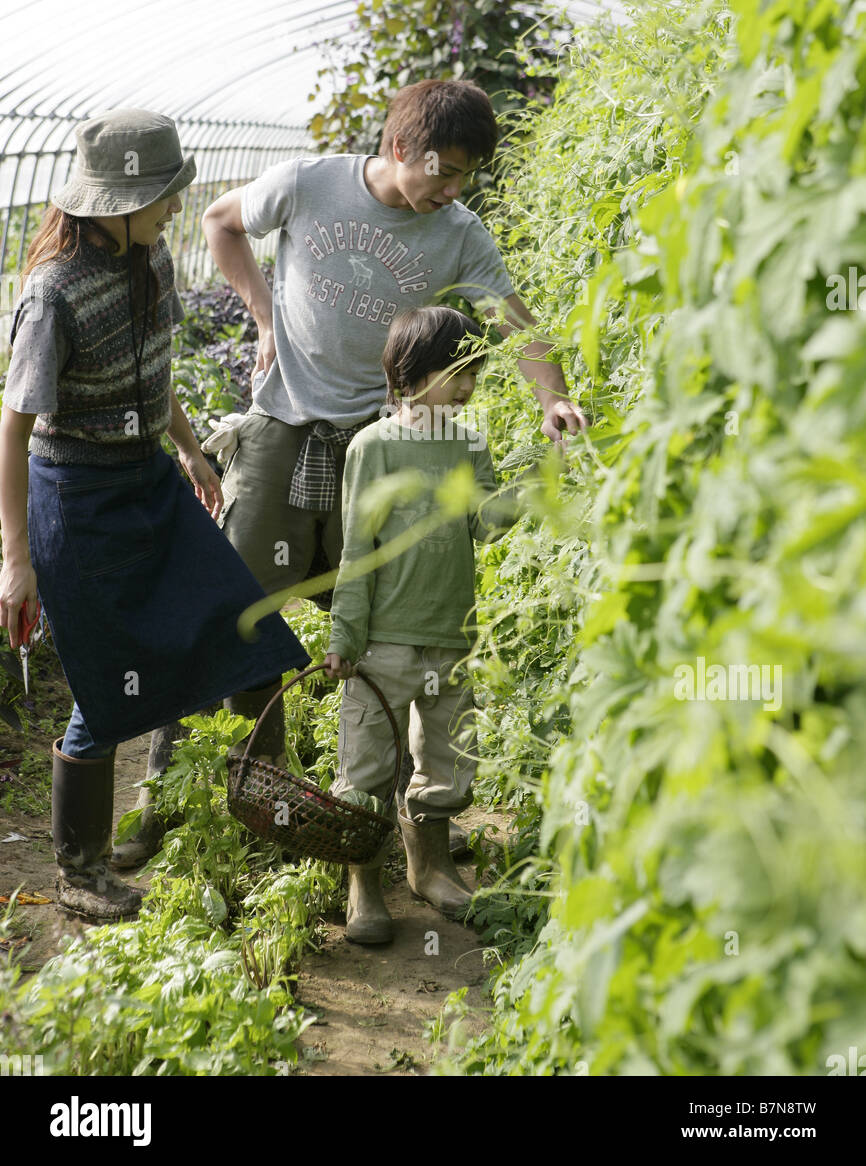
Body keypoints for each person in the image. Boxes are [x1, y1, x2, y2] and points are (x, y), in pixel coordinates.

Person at [195, 79, 587, 859]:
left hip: (382, 437)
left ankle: (387, 809)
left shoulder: (459, 231)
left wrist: (555, 400)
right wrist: (265, 315)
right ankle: (251, 780)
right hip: (284, 419)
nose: (450, 192)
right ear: (400, 147)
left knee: (384, 619)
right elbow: (218, 221)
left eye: (465, 179)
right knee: (244, 598)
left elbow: (512, 319)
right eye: (442, 173)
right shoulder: (309, 184)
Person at [0, 110, 310, 921]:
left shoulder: (152, 258)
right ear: (115, 202)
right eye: (164, 195)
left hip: (151, 484)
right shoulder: (51, 297)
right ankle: (80, 871)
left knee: (249, 630)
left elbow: (154, 369)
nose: (177, 206)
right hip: (79, 500)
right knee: (101, 689)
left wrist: (190, 450)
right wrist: (15, 557)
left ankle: (262, 811)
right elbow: (15, 426)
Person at [323, 306, 528, 944]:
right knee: (368, 764)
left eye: (476, 370)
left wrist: (541, 475)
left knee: (444, 756)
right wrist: (344, 639)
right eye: (456, 370)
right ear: (412, 372)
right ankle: (365, 882)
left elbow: (488, 523)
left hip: (450, 633)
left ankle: (430, 866)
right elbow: (356, 551)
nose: (468, 384)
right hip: (382, 641)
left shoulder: (470, 441)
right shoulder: (373, 447)